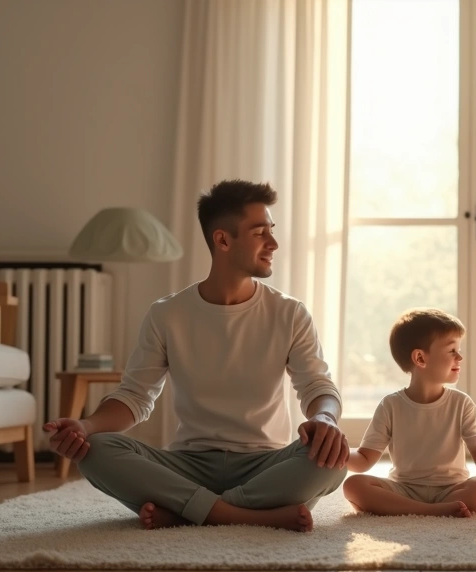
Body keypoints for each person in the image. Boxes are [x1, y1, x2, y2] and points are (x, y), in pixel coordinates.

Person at [42, 179, 347, 532]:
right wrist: (86, 425)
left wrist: (326, 419)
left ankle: (190, 511)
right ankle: (244, 514)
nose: (274, 243)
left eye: (272, 231)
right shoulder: (167, 314)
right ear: (223, 240)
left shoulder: (290, 313)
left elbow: (317, 387)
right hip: (188, 464)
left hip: (265, 463)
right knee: (94, 450)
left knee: (333, 459)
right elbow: (135, 397)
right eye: (260, 232)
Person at [343, 309, 476, 517]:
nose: (460, 357)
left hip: (452, 489)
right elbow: (364, 459)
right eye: (452, 350)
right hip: (403, 490)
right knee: (353, 485)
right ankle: (432, 511)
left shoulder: (462, 404)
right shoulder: (390, 405)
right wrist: (342, 453)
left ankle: (411, 510)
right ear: (420, 358)